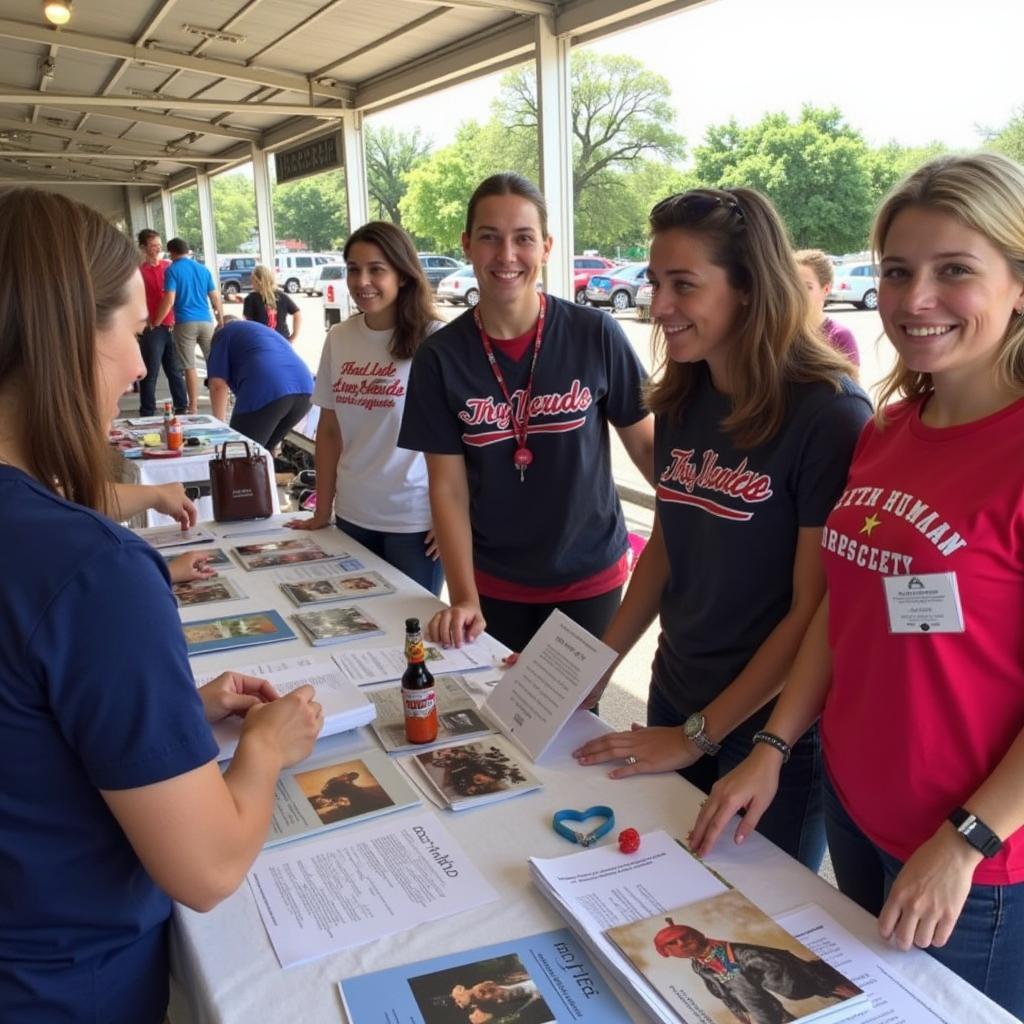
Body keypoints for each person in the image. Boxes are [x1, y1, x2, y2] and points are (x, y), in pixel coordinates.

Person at [689, 153, 1024, 1019]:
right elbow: (847, 606)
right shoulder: (889, 430)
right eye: (897, 271)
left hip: (977, 862)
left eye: (956, 271)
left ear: (1017, 283)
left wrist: (966, 842)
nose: (916, 300)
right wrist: (772, 745)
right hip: (856, 810)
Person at [0, 189, 324, 1023]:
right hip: (62, 983)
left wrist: (170, 713)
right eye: (128, 331)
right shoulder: (91, 567)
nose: (142, 365)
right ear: (68, 335)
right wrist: (263, 749)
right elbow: (209, 867)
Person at [573, 189, 871, 870]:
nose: (660, 304)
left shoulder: (829, 414)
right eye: (655, 281)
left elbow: (811, 610)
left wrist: (698, 736)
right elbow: (666, 551)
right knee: (659, 876)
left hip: (767, 730)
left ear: (748, 288)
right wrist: (593, 668)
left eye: (685, 284)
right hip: (677, 688)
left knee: (748, 916)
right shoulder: (684, 391)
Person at [397, 173, 654, 651]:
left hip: (588, 577)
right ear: (467, 245)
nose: (507, 255)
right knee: (501, 716)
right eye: (490, 238)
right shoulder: (440, 356)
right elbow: (447, 487)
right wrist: (464, 595)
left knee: (578, 717)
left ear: (547, 246)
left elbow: (646, 447)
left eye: (523, 239)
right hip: (494, 582)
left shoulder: (595, 334)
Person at [287, 222, 444, 596]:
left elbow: (463, 439)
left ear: (403, 275)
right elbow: (328, 430)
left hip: (416, 522)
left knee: (413, 635)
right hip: (353, 515)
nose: (362, 281)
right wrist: (322, 509)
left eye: (377, 269)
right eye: (353, 269)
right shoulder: (340, 337)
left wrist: (451, 514)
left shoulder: (435, 339)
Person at [653, 919, 858, 1024]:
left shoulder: (743, 954)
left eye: (686, 936)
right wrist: (739, 1014)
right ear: (667, 952)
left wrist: (828, 986)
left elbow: (785, 964)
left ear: (697, 935)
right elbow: (724, 991)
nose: (682, 943)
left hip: (804, 986)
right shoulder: (699, 966)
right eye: (673, 943)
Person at [206, 318, 313, 450]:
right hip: (306, 389)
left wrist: (219, 428)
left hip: (268, 388)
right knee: (264, 453)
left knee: (238, 454)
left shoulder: (222, 334)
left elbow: (217, 385)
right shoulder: (259, 331)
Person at [152, 237, 223, 414]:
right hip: (206, 321)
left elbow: (169, 300)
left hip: (185, 323)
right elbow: (215, 297)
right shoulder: (203, 269)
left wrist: (156, 322)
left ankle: (193, 406)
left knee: (189, 365)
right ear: (187, 250)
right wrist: (220, 319)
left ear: (171, 252)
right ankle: (220, 406)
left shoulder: (172, 270)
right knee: (213, 363)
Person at [136, 228, 188, 415]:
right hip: (153, 326)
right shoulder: (139, 271)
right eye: (152, 246)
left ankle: (182, 406)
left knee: (175, 370)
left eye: (159, 245)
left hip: (173, 324)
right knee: (151, 372)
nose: (157, 249)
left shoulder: (169, 266)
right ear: (143, 247)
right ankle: (147, 410)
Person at [793, 249, 860, 369]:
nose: (798, 293)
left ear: (826, 289)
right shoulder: (784, 333)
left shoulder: (840, 336)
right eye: (794, 285)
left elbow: (852, 385)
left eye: (808, 287)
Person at [242, 264, 302, 342]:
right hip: (282, 339)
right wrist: (293, 336)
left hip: (261, 341)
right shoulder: (282, 296)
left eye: (252, 279)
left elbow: (249, 324)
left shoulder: (250, 299)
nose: (251, 282)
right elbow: (297, 313)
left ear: (257, 281)